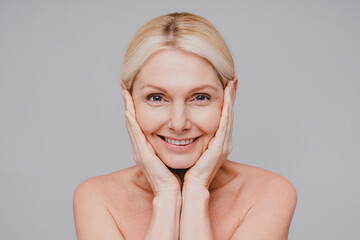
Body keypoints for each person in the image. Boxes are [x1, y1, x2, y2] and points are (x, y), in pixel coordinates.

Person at [73, 12, 297, 240]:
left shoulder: (269, 193)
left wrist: (197, 189)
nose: (179, 124)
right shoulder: (97, 198)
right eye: (156, 97)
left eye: (200, 97)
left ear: (231, 96)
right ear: (128, 98)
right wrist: (165, 194)